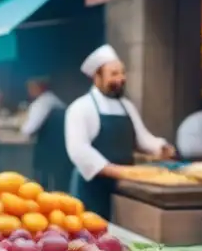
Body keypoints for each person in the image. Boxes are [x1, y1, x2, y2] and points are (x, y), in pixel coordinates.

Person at [65, 44, 174, 218]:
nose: (121, 78)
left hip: (124, 188)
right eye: (114, 74)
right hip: (92, 189)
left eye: (122, 73)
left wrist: (160, 147)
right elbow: (79, 151)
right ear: (97, 77)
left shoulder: (127, 106)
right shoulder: (80, 108)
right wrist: (117, 170)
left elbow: (142, 138)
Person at [21, 78, 71, 192]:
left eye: (30, 87)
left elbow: (28, 129)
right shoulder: (53, 99)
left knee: (44, 187)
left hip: (48, 152)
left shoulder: (42, 103)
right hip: (61, 152)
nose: (29, 90)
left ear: (38, 87)